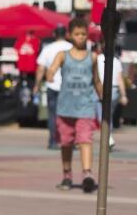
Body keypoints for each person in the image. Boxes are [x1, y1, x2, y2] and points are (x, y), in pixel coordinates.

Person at [46, 18, 102, 192]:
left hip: (85, 106)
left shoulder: (92, 57)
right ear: (70, 35)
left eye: (84, 34)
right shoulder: (63, 55)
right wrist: (50, 74)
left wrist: (102, 97)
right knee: (66, 143)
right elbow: (52, 68)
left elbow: (96, 80)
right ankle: (67, 174)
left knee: (85, 139)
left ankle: (87, 174)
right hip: (65, 107)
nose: (81, 37)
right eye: (77, 34)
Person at [36, 25, 72, 150]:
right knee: (68, 114)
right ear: (66, 34)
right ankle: (68, 141)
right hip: (68, 86)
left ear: (54, 34)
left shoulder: (48, 48)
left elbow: (41, 68)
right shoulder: (71, 48)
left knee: (53, 115)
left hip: (52, 86)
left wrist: (36, 85)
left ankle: (53, 141)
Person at [96, 42, 127, 147]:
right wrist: (123, 95)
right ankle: (108, 137)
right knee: (108, 114)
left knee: (101, 114)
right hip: (114, 90)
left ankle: (108, 138)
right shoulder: (116, 61)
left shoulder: (97, 58)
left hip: (101, 88)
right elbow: (120, 79)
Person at [15, 28, 41, 94]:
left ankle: (32, 99)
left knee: (31, 85)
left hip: (31, 68)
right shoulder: (21, 39)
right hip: (22, 66)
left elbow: (35, 51)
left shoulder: (36, 40)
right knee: (20, 85)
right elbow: (17, 48)